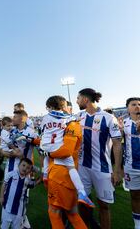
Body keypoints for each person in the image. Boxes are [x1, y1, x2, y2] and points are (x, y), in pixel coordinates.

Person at [76, 88, 122, 229]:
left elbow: (117, 144)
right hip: (82, 167)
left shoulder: (108, 118)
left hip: (102, 168)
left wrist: (117, 170)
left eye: (78, 98)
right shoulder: (78, 116)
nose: (77, 101)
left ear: (85, 99)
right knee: (83, 203)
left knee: (104, 205)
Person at [39, 95, 94, 208]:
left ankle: (45, 173)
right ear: (63, 105)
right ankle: (82, 193)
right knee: (71, 168)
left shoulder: (45, 118)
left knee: (46, 156)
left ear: (49, 106)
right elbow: (73, 120)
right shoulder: (68, 118)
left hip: (46, 145)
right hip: (58, 147)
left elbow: (43, 131)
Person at [44, 102, 87, 229]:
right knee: (72, 213)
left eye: (50, 108)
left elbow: (66, 151)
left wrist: (48, 153)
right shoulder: (63, 123)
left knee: (54, 212)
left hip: (60, 174)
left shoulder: (72, 124)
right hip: (66, 173)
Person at [0, 158, 36, 229]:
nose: (25, 168)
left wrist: (41, 175)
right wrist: (1, 197)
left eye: (28, 168)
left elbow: (34, 184)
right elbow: (4, 185)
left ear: (30, 171)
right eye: (23, 165)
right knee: (4, 226)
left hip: (19, 209)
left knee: (16, 226)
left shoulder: (27, 180)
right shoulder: (10, 174)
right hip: (7, 205)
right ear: (19, 165)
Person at [122, 97, 140, 228]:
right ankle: (137, 224)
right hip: (131, 167)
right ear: (128, 108)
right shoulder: (123, 123)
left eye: (139, 104)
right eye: (133, 104)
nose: (137, 106)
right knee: (135, 196)